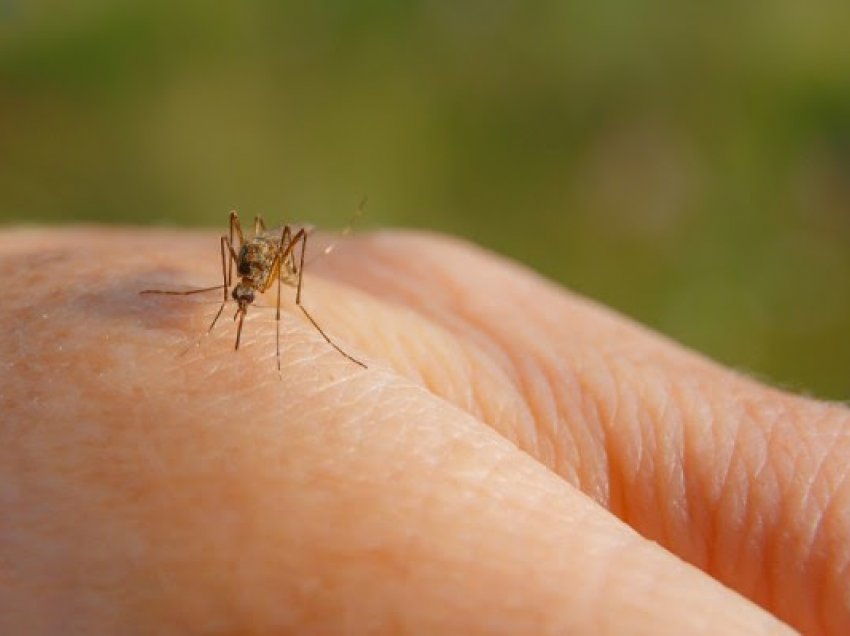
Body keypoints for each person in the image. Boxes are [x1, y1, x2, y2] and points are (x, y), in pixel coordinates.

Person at [1, 226, 847, 635]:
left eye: (249, 289)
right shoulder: (234, 276)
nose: (243, 298)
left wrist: (290, 300)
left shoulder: (271, 275)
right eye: (245, 290)